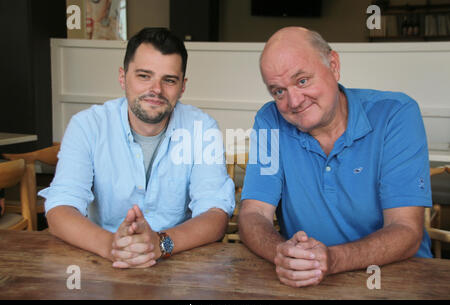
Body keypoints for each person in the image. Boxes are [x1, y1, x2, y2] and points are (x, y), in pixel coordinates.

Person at [238, 27, 433, 288]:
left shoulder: (395, 114)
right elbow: (254, 214)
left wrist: (331, 260)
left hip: (397, 282)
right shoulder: (269, 120)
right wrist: (281, 253)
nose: (293, 101)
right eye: (278, 91)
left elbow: (406, 230)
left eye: (302, 81)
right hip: (309, 286)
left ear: (333, 65)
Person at [39, 28, 235, 268]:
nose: (156, 90)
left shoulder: (202, 128)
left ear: (182, 87)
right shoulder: (87, 125)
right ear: (123, 77)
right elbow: (60, 209)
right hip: (100, 260)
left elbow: (215, 215)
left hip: (178, 260)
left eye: (169, 80)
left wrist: (160, 244)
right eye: (144, 76)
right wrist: (111, 246)